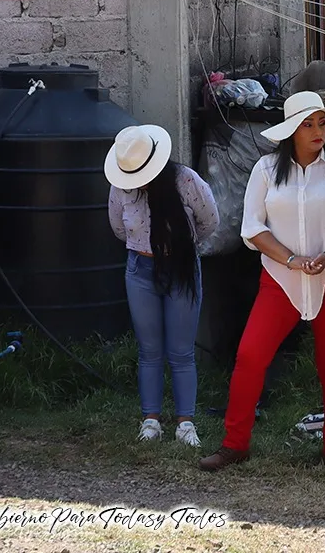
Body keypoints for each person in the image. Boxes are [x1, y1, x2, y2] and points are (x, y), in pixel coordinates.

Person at [199, 92, 325, 472]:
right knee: (250, 357)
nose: (318, 131)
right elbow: (252, 228)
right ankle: (235, 443)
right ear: (290, 132)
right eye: (308, 124)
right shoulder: (265, 169)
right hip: (280, 278)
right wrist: (293, 260)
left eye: (322, 123)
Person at [107, 124, 219, 447]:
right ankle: (150, 420)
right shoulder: (120, 188)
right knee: (149, 350)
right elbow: (118, 228)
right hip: (140, 268)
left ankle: (186, 423)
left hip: (181, 267)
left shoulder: (186, 181)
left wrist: (181, 246)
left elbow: (210, 220)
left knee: (182, 351)